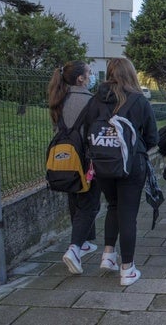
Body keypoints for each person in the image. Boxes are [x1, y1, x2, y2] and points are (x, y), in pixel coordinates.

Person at [84, 57, 158, 286]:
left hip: (103, 164)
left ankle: (108, 255)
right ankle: (127, 269)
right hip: (131, 165)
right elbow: (153, 138)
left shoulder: (95, 100)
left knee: (113, 206)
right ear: (131, 74)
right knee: (128, 214)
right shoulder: (139, 101)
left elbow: (86, 130)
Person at [47, 60, 101, 275]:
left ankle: (85, 242)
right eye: (88, 73)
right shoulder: (91, 100)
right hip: (86, 158)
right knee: (90, 204)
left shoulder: (58, 99)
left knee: (74, 199)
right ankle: (74, 249)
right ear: (80, 78)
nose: (90, 76)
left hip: (63, 158)